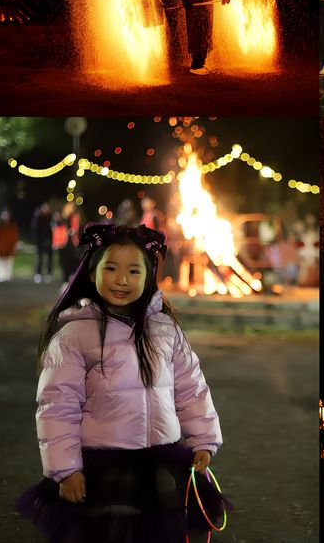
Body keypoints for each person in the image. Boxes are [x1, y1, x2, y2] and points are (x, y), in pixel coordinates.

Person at [15, 223, 228, 543]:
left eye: (134, 271)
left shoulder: (165, 330)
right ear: (91, 272)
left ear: (149, 276)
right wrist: (66, 469)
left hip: (160, 460)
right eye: (111, 268)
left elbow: (191, 387)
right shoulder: (75, 334)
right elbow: (57, 405)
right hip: (104, 465)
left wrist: (203, 440)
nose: (122, 279)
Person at [31, 202, 54, 283]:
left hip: (49, 241)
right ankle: (38, 274)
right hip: (40, 241)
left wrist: (51, 240)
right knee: (39, 258)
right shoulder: (38, 217)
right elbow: (34, 229)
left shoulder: (51, 217)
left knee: (49, 259)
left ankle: (49, 274)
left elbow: (53, 230)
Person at [0, 208, 20, 283]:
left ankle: (8, 276)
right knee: (2, 263)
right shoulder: (0, 226)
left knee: (9, 262)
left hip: (10, 247)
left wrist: (16, 245)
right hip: (1, 248)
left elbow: (15, 236)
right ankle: (2, 276)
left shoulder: (13, 226)